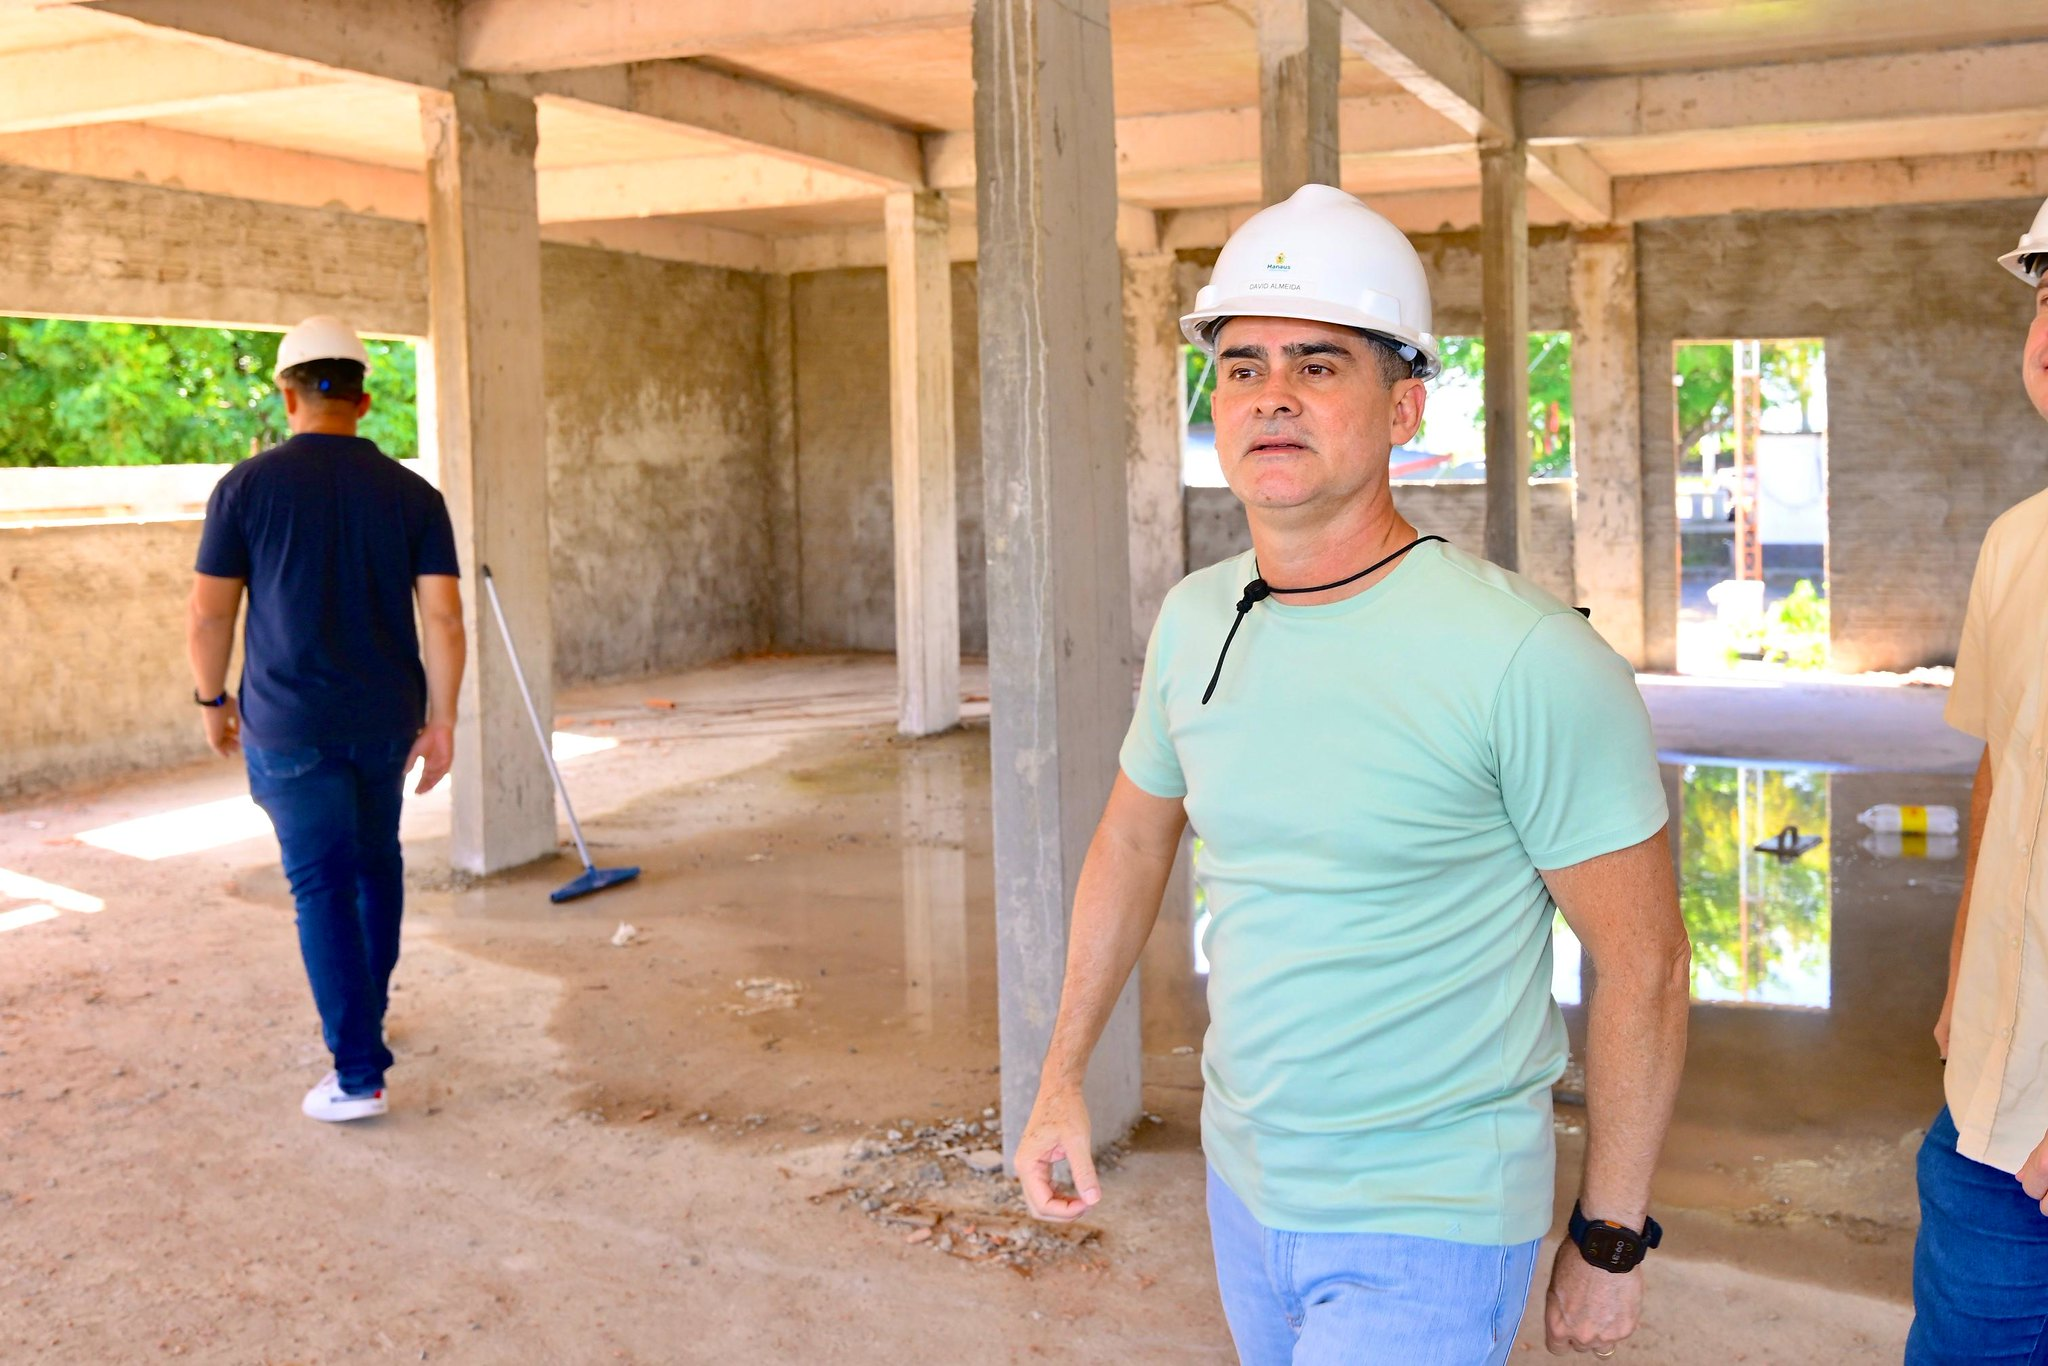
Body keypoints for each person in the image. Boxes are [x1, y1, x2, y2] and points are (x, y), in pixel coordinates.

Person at [1011, 184, 1691, 1363]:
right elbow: (1130, 842)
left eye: (1319, 364)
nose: (1270, 392)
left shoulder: (1524, 657)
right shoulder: (1192, 618)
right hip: (1243, 1189)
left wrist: (1608, 1233)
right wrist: (1058, 1074)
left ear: (1403, 405)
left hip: (1426, 1220)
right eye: (1240, 365)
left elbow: (1644, 965)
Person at [185, 316, 465, 1123]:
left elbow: (210, 616)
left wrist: (211, 699)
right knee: (375, 868)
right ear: (365, 401)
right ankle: (364, 1029)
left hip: (290, 724)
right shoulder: (414, 496)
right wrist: (442, 720)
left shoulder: (245, 488)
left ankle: (356, 1074)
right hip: (386, 721)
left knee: (321, 889)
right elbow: (443, 620)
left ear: (287, 393)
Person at [1911, 198, 2048, 1363]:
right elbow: (2001, 776)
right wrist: (1965, 998)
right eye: (2046, 292)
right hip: (1985, 1130)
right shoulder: (2016, 543)